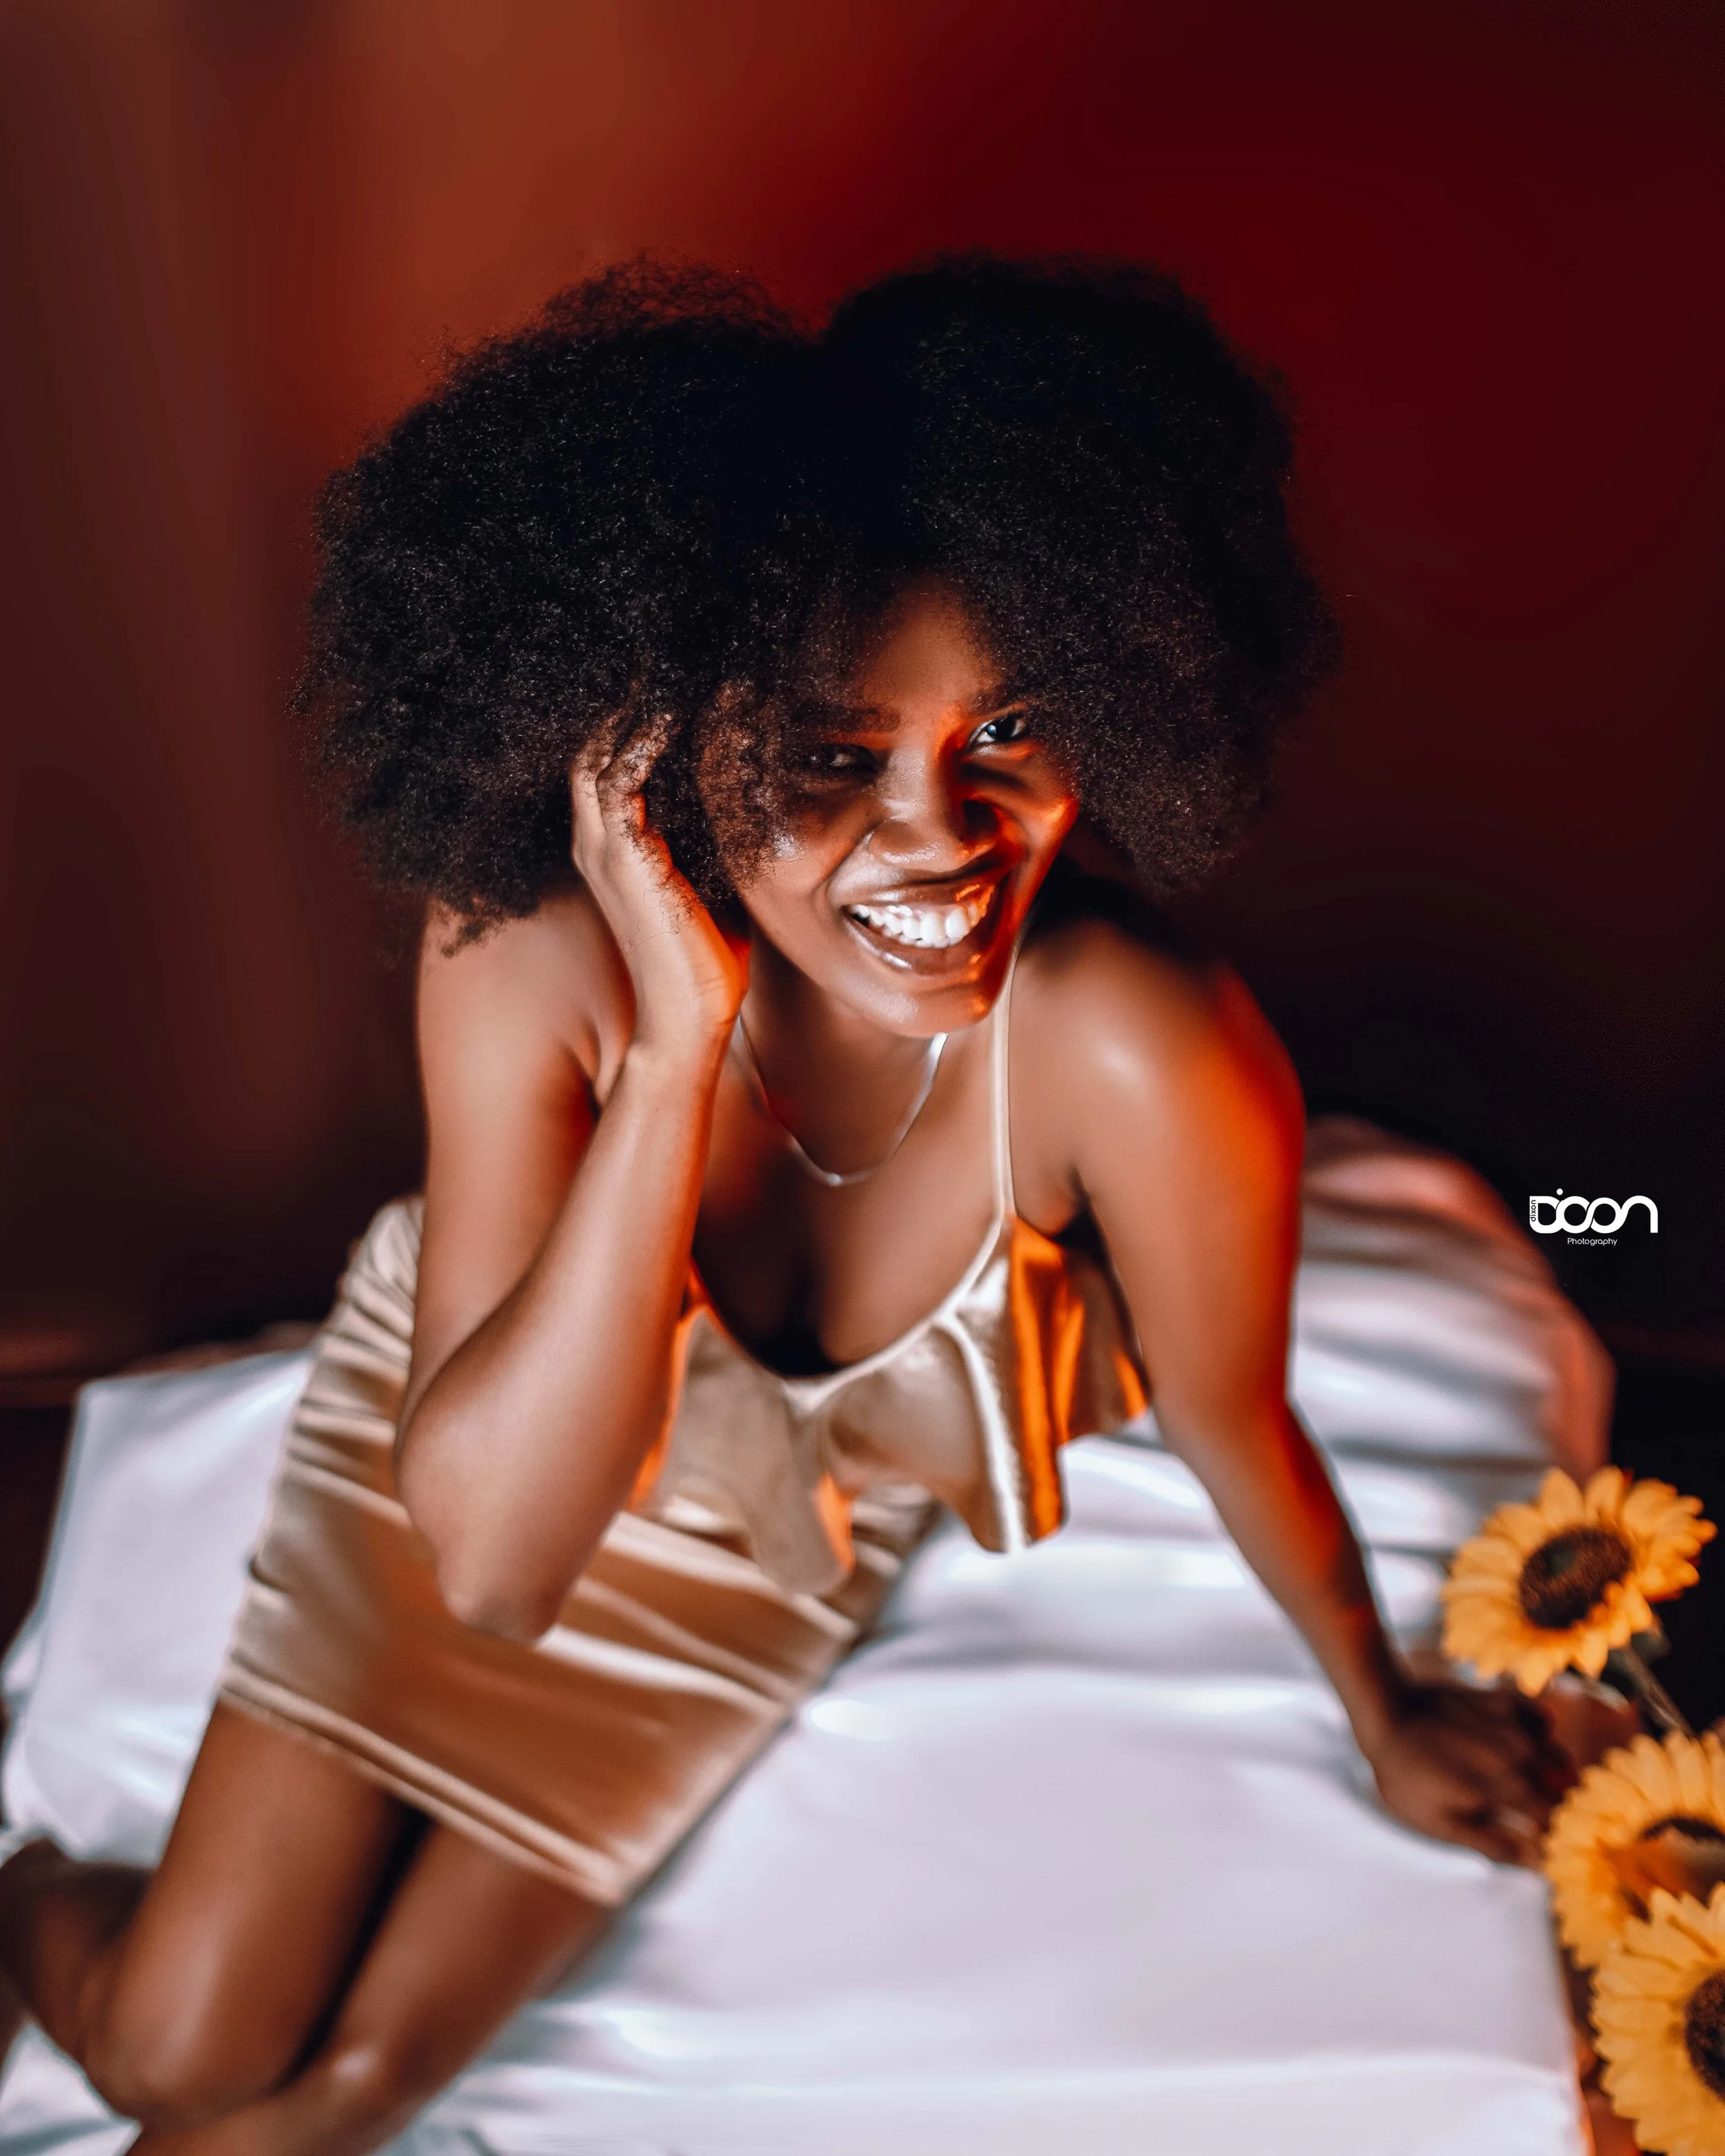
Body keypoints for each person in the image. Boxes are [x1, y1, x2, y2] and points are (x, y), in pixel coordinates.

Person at [0, 254, 1572, 2153]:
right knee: (176, 2051)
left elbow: (1236, 1412)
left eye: (1007, 730)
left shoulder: (1135, 1046)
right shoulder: (524, 957)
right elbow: (493, 1561)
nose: (938, 831)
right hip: (456, 1487)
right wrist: (674, 1049)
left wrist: (1384, 1708)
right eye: (833, 757)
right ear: (646, 748)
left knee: (347, 2090)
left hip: (746, 1573)